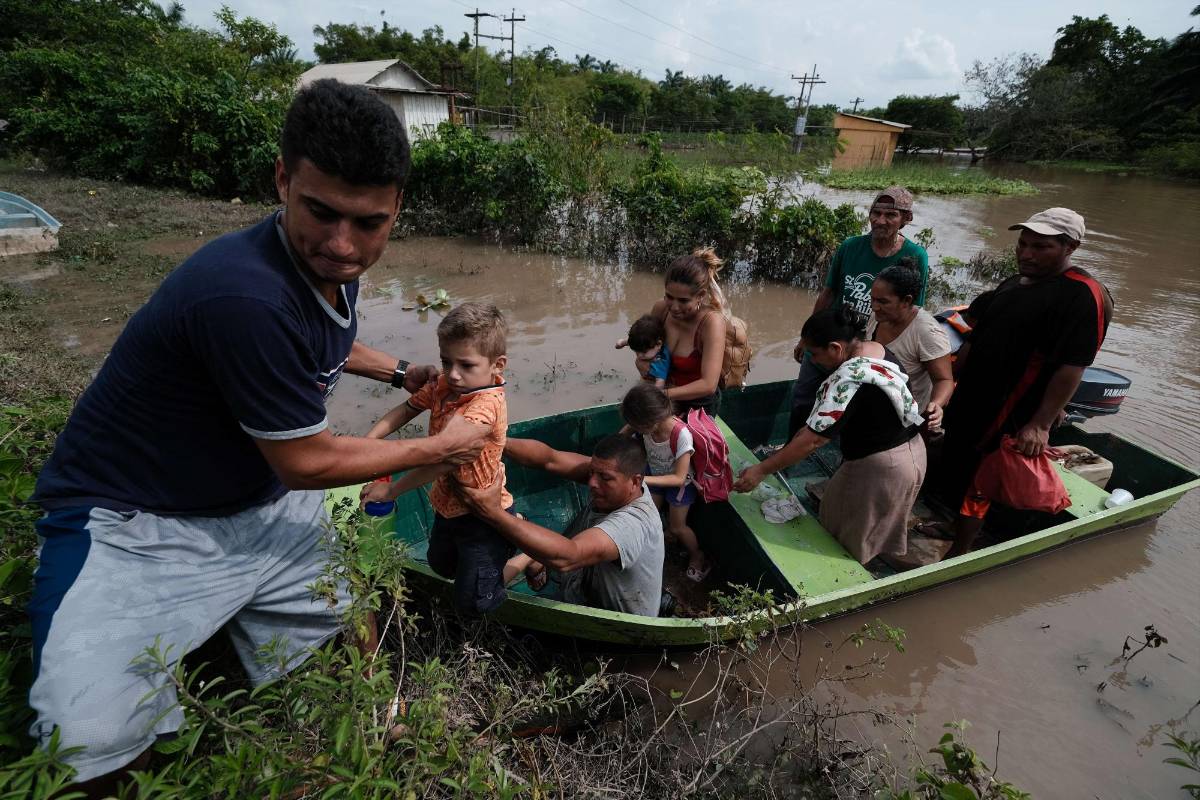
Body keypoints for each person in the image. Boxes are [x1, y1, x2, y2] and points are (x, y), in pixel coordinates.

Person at [25, 79, 489, 791]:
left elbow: (325, 340)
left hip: (257, 495)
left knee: (354, 627)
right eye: (321, 212)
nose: (342, 244)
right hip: (136, 519)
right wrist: (439, 448)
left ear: (396, 208)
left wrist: (400, 372)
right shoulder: (243, 293)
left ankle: (377, 728)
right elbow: (306, 461)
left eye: (369, 223)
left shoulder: (328, 268)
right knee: (86, 750)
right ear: (283, 180)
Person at [939, 208, 1113, 558]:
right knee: (957, 460)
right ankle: (950, 523)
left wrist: (1041, 422)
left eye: (1041, 247)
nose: (1026, 254)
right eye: (1023, 244)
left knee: (982, 479)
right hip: (974, 395)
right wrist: (951, 382)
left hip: (1013, 407)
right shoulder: (1013, 282)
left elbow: (1072, 365)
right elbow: (976, 337)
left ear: (1070, 247)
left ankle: (960, 548)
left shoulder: (1082, 295)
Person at [361, 302, 541, 613]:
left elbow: (442, 459)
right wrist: (367, 445)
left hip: (481, 514)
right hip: (447, 501)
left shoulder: (485, 406)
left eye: (466, 365)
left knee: (475, 604)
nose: (454, 375)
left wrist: (390, 490)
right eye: (446, 362)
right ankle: (517, 528)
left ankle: (526, 555)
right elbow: (407, 410)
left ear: (498, 365)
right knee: (441, 565)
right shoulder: (445, 385)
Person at [734, 308, 927, 566]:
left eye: (814, 354)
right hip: (913, 453)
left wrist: (761, 470)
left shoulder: (849, 380)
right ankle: (879, 557)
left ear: (836, 348)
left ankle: (848, 584)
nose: (813, 360)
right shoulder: (876, 351)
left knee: (845, 534)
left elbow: (814, 440)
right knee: (868, 521)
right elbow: (814, 429)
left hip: (881, 467)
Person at [455, 434, 666, 617]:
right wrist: (494, 442)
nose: (592, 482)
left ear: (636, 482)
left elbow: (568, 557)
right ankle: (533, 560)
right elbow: (550, 459)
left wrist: (493, 513)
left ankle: (532, 559)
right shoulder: (616, 479)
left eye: (604, 478)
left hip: (615, 618)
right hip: (586, 581)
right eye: (592, 472)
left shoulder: (633, 525)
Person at [789, 186, 929, 438]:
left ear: (906, 219)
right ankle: (791, 448)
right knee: (803, 397)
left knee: (853, 410)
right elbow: (829, 293)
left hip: (865, 349)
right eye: (875, 213)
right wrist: (805, 338)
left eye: (890, 215)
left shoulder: (915, 255)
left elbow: (911, 312)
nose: (880, 220)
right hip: (832, 334)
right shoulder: (850, 246)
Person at [620, 382, 710, 582]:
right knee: (647, 513)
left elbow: (679, 477)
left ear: (652, 420)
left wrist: (642, 479)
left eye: (638, 426)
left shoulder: (681, 435)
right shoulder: (648, 426)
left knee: (679, 527)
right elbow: (626, 432)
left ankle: (697, 556)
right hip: (656, 473)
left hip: (681, 485)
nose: (636, 430)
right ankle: (659, 540)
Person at [867, 258, 954, 429]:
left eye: (883, 301)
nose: (874, 306)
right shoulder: (880, 316)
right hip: (874, 405)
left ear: (906, 301)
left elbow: (944, 380)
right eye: (873, 299)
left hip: (905, 418)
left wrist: (936, 405)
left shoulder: (927, 333)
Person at [648, 247, 730, 418]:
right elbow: (644, 350)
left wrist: (663, 395)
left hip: (698, 404)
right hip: (661, 391)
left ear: (700, 295)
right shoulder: (661, 309)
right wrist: (644, 367)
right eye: (669, 296)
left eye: (683, 301)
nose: (675, 307)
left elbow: (708, 385)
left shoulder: (711, 323)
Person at [615, 313, 670, 388]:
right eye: (636, 351)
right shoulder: (647, 344)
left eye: (643, 352)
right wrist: (621, 343)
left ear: (659, 344)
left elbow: (660, 382)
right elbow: (630, 343)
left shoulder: (660, 362)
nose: (639, 355)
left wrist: (653, 393)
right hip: (645, 377)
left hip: (652, 382)